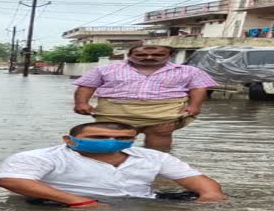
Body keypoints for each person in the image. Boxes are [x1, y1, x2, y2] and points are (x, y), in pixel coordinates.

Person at [0, 122, 226, 208]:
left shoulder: (152, 156)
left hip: (142, 202)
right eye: (99, 138)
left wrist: (210, 196)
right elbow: (12, 180)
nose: (112, 142)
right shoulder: (40, 157)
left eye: (123, 138)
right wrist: (81, 201)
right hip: (65, 205)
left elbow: (197, 180)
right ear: (68, 139)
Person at [72, 45, 218, 150]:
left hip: (163, 111)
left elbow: (199, 88)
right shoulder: (105, 69)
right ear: (130, 55)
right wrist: (81, 103)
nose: (149, 57)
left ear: (170, 56)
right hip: (115, 111)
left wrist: (195, 106)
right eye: (141, 55)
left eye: (157, 55)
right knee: (111, 140)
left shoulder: (189, 71)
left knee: (160, 137)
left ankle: (158, 171)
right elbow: (87, 86)